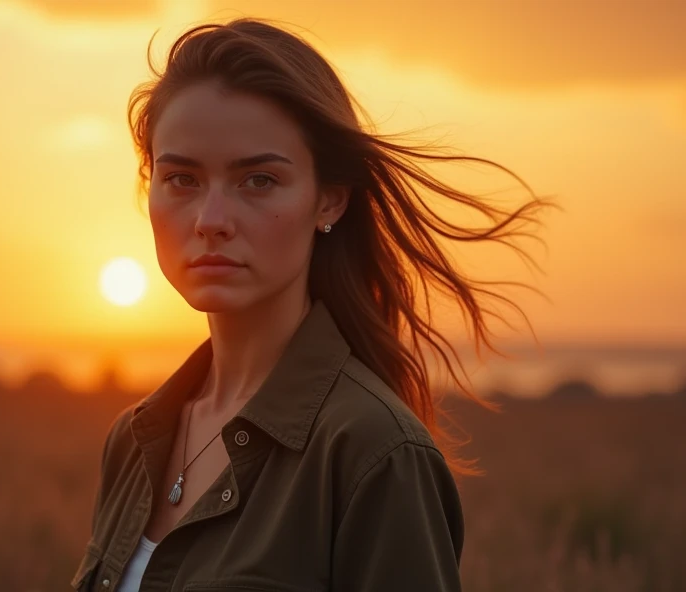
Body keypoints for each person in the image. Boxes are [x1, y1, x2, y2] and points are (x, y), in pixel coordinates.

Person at [71, 17, 553, 592]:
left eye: (258, 181)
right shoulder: (133, 439)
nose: (211, 221)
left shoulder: (373, 451)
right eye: (182, 179)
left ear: (328, 200)